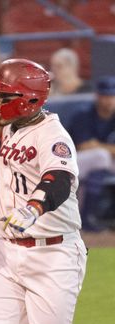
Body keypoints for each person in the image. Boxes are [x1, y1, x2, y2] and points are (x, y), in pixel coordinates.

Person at [0, 59, 88, 324]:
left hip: (53, 254)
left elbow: (59, 179)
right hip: (7, 251)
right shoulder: (14, 125)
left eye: (4, 97)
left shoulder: (54, 136)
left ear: (28, 100)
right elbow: (0, 127)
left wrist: (34, 208)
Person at [66, 75, 115, 230]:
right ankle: (87, 219)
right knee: (101, 157)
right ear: (98, 96)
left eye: (112, 96)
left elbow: (94, 145)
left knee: (101, 161)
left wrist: (98, 145)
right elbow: (83, 146)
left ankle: (91, 219)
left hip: (105, 162)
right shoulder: (84, 114)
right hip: (74, 162)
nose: (108, 100)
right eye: (105, 95)